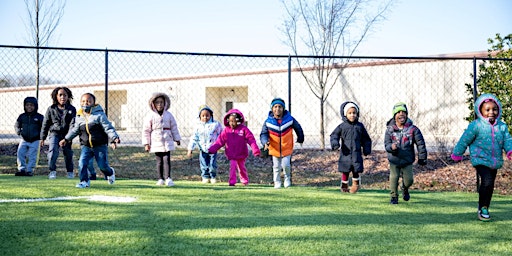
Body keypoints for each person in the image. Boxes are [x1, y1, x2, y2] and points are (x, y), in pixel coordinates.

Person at [451, 93, 512, 221]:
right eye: (487, 109)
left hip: (495, 161)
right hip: (480, 159)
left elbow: (507, 140)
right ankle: (483, 207)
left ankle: (484, 206)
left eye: (494, 109)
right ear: (480, 110)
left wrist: (510, 150)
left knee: (489, 185)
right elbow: (465, 139)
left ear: (499, 110)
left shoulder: (501, 126)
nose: (491, 112)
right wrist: (458, 153)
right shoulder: (476, 125)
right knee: (487, 180)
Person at [59, 93, 119, 188]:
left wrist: (114, 137)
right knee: (82, 163)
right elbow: (75, 130)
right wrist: (66, 139)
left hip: (99, 145)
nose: (85, 103)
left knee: (102, 166)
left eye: (88, 101)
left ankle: (110, 172)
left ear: (93, 103)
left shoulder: (99, 115)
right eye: (83, 101)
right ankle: (84, 181)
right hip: (86, 146)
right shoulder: (79, 117)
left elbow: (108, 127)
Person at [384, 102, 427, 204]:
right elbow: (386, 144)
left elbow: (420, 144)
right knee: (394, 178)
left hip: (407, 159)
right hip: (394, 159)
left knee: (409, 180)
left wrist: (422, 157)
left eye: (403, 112)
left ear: (407, 115)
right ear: (394, 116)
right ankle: (394, 196)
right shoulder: (390, 130)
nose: (401, 114)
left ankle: (404, 188)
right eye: (398, 112)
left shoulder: (413, 129)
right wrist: (391, 147)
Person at [209, 109, 261, 186]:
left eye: (233, 121)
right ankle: (232, 182)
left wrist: (255, 150)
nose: (232, 123)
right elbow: (220, 141)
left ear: (238, 120)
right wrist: (212, 149)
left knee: (241, 168)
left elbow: (251, 140)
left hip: (241, 153)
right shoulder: (226, 131)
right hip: (232, 154)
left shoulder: (243, 129)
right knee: (232, 167)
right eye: (230, 121)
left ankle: (244, 180)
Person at [260, 98, 304, 188]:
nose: (277, 109)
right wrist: (265, 142)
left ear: (283, 108)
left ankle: (287, 179)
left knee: (286, 165)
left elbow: (298, 128)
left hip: (286, 146)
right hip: (274, 148)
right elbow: (263, 133)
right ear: (272, 109)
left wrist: (300, 138)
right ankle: (277, 182)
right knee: (276, 166)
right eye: (275, 107)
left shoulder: (289, 119)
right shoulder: (268, 122)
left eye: (280, 107)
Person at [330, 101, 372, 193]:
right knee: (345, 170)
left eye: (354, 113)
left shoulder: (360, 126)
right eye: (350, 113)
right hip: (346, 153)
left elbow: (366, 139)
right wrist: (335, 144)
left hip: (356, 153)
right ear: (345, 114)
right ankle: (344, 185)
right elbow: (334, 135)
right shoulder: (342, 126)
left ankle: (355, 185)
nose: (352, 115)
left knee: (356, 170)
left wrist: (367, 148)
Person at [142, 92, 181, 186]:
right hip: (156, 141)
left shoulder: (169, 115)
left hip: (167, 140)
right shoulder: (150, 116)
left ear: (165, 103)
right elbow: (146, 130)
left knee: (166, 159)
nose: (159, 104)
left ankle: (168, 178)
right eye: (157, 102)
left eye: (161, 102)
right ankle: (160, 178)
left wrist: (177, 138)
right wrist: (146, 143)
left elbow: (174, 127)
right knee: (159, 161)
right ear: (153, 104)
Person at [40, 87, 76, 179]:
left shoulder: (72, 109)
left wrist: (68, 138)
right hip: (54, 133)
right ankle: (52, 171)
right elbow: (45, 123)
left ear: (68, 97)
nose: (62, 97)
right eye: (60, 95)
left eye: (65, 95)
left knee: (68, 153)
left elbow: (73, 125)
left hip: (67, 135)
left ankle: (70, 172)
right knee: (52, 152)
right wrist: (42, 137)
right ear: (56, 96)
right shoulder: (51, 109)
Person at [187, 105, 223, 184]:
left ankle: (213, 176)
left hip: (213, 148)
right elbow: (194, 137)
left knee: (212, 164)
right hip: (202, 149)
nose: (205, 117)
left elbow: (222, 135)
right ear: (199, 116)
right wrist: (190, 149)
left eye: (207, 115)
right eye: (203, 116)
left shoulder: (215, 124)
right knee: (203, 164)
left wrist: (221, 144)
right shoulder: (198, 126)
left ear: (211, 115)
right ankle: (205, 177)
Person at [14, 97, 44, 177]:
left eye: (31, 105)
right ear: (24, 106)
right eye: (27, 105)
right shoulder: (22, 116)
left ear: (35, 106)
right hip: (24, 139)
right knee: (20, 153)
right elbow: (17, 125)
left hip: (35, 140)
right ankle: (22, 169)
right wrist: (19, 132)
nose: (29, 107)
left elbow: (44, 127)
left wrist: (41, 136)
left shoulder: (39, 117)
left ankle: (29, 170)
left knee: (32, 155)